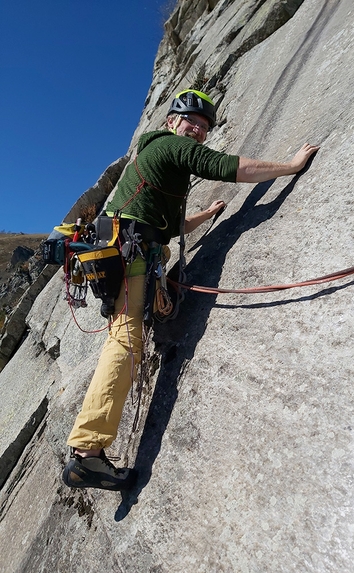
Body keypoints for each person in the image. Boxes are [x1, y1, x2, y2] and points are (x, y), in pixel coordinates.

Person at [62, 89, 319, 491]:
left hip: (126, 249)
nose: (197, 131)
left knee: (125, 339)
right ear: (170, 122)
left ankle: (88, 449)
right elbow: (227, 166)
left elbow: (166, 226)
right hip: (130, 254)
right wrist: (290, 166)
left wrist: (209, 213)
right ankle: (87, 452)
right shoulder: (170, 146)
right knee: (126, 342)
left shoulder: (156, 160)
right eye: (190, 122)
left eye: (203, 127)